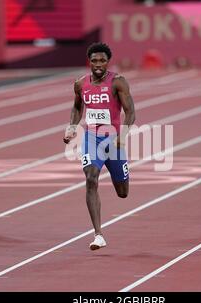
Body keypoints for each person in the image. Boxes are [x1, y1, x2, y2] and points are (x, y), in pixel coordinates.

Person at [63, 42, 136, 250]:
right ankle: (98, 234)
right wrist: (71, 127)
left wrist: (123, 134)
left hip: (113, 140)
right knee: (91, 177)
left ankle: (120, 177)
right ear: (89, 61)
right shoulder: (80, 84)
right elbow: (77, 107)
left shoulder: (118, 82)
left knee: (122, 192)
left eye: (102, 60)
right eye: (94, 60)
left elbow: (130, 112)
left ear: (108, 62)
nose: (98, 64)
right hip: (91, 139)